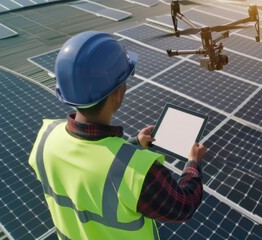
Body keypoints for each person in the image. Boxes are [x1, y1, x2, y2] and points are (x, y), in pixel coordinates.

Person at [28, 31, 206, 240]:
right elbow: (182, 206)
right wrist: (193, 163)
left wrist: (134, 144)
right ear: (117, 93)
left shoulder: (46, 138)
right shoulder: (138, 172)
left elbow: (89, 167)